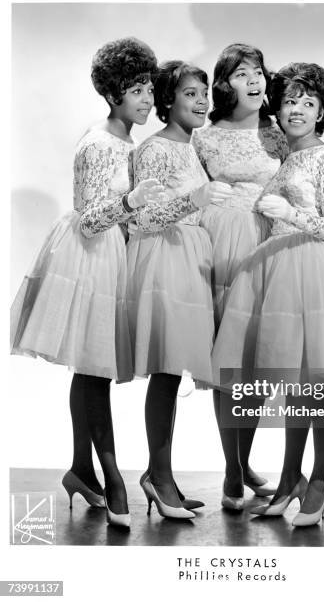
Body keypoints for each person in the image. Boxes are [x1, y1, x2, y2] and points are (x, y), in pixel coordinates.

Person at [211, 62, 324, 526]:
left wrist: (289, 214)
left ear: (321, 113)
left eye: (308, 103)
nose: (297, 110)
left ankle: (319, 479)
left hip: (314, 266)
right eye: (290, 101)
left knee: (320, 380)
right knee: (296, 382)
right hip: (276, 268)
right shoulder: (288, 157)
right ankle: (291, 477)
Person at [11, 37, 162, 528]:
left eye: (149, 89)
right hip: (88, 257)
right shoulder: (99, 142)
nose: (147, 99)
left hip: (112, 256)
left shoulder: (127, 141)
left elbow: (123, 217)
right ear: (114, 92)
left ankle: (80, 469)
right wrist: (134, 202)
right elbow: (90, 219)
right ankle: (113, 477)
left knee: (93, 371)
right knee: (94, 370)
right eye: (138, 90)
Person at [126, 60, 231, 519]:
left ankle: (160, 474)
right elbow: (143, 218)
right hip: (165, 259)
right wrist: (195, 200)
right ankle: (159, 477)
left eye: (204, 92)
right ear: (168, 100)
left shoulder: (192, 146)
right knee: (167, 371)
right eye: (191, 94)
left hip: (193, 256)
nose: (202, 101)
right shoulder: (155, 149)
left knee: (178, 372)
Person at [192, 43, 288, 509]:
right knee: (227, 362)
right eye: (241, 73)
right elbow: (192, 190)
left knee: (261, 360)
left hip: (271, 244)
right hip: (222, 245)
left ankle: (242, 461)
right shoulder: (205, 137)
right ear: (223, 84)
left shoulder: (278, 131)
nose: (254, 81)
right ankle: (233, 472)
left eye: (258, 72)